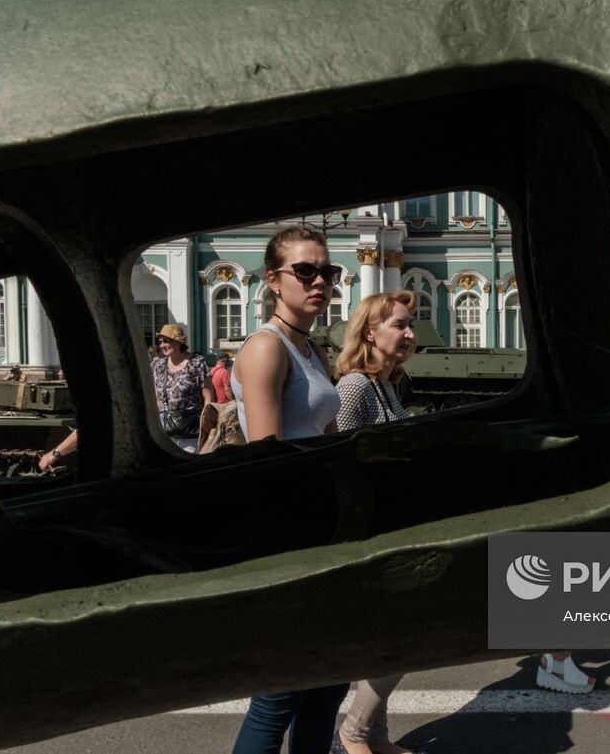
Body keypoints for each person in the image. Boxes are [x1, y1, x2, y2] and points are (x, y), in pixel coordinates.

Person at [229, 226, 347, 754]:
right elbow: (268, 460)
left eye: (328, 271)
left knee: (328, 687)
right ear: (274, 280)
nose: (319, 280)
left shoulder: (313, 351)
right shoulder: (265, 348)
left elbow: (329, 439)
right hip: (292, 537)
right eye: (306, 270)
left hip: (328, 526)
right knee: (279, 694)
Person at [332, 292, 418, 754]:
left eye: (411, 325)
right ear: (370, 332)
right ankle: (354, 733)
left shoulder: (386, 385)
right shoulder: (355, 388)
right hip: (368, 536)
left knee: (391, 640)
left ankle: (375, 735)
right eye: (399, 325)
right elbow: (339, 463)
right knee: (404, 640)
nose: (409, 334)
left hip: (389, 529)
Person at [152, 322, 214, 453]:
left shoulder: (196, 363)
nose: (162, 345)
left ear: (178, 341)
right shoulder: (159, 366)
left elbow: (208, 398)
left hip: (190, 433)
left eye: (166, 341)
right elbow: (156, 398)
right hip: (165, 434)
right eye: (160, 341)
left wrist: (206, 429)